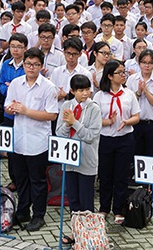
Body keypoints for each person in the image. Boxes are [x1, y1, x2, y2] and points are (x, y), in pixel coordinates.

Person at [5, 48, 59, 231]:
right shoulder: (16, 83)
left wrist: (26, 111)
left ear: (41, 66)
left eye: (36, 64)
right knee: (21, 179)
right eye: (28, 64)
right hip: (19, 139)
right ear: (24, 64)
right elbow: (6, 106)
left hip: (38, 141)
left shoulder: (48, 87)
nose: (31, 67)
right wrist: (11, 109)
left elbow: (52, 114)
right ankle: (22, 210)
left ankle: (38, 215)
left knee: (38, 181)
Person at [56, 74, 102, 245]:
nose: (85, 93)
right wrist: (68, 124)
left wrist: (74, 122)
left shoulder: (94, 108)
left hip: (87, 159)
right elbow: (58, 133)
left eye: (87, 89)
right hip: (69, 159)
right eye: (81, 90)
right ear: (72, 91)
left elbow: (91, 136)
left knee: (86, 200)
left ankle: (88, 236)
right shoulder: (67, 106)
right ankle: (76, 233)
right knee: (73, 199)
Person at [93, 59, 140, 224]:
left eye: (124, 72)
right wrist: (108, 122)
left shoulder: (129, 94)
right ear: (110, 76)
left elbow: (136, 116)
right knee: (105, 175)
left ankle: (118, 209)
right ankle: (104, 207)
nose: (123, 75)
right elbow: (94, 119)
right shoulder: (99, 96)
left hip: (125, 139)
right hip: (105, 138)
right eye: (120, 72)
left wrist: (127, 121)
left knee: (121, 175)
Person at [0, 33, 28, 192]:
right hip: (9, 111)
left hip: (24, 111)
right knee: (11, 147)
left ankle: (24, 177)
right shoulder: (6, 64)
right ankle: (14, 178)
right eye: (13, 46)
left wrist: (14, 88)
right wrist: (9, 89)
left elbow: (27, 88)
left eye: (19, 47)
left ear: (25, 48)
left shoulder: (28, 65)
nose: (15, 50)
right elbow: (2, 85)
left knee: (24, 145)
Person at [126, 49, 153, 157]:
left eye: (150, 63)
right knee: (136, 157)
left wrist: (147, 92)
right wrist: (139, 92)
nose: (147, 66)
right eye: (144, 62)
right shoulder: (131, 80)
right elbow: (127, 104)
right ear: (139, 63)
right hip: (136, 124)